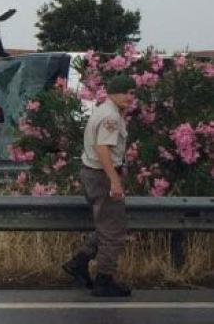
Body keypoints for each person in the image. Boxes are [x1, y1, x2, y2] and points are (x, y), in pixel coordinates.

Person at [62, 74, 136, 297]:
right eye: (129, 93)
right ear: (116, 92)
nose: (132, 98)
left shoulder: (104, 110)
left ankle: (80, 261)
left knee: (106, 226)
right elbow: (103, 148)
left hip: (93, 173)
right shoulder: (110, 116)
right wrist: (114, 179)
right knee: (113, 230)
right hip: (102, 175)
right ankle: (104, 279)